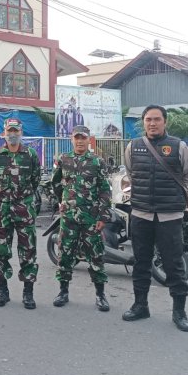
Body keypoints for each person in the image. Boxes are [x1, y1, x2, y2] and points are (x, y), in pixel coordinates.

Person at [122, 104, 188, 332]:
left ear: (165, 122)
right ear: (143, 123)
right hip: (141, 213)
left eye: (157, 119)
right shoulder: (133, 147)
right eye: (148, 120)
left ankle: (179, 311)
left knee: (174, 265)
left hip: (169, 215)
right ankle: (140, 305)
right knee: (141, 262)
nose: (152, 123)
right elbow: (131, 173)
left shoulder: (179, 147)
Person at [0, 117, 42, 309]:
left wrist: (23, 198)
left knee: (28, 251)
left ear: (21, 133)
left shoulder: (31, 154)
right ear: (4, 133)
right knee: (1, 251)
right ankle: (2, 290)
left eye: (16, 131)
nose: (13, 134)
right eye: (10, 131)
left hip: (25, 210)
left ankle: (28, 293)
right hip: (2, 210)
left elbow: (35, 180)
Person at [50, 125, 111, 311]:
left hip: (90, 218)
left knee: (96, 255)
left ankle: (100, 295)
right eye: (76, 137)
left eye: (83, 137)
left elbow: (104, 190)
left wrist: (103, 215)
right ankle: (63, 292)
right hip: (68, 217)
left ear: (88, 139)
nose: (79, 141)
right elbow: (56, 183)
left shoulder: (97, 162)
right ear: (71, 139)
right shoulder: (64, 159)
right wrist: (63, 201)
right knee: (65, 254)